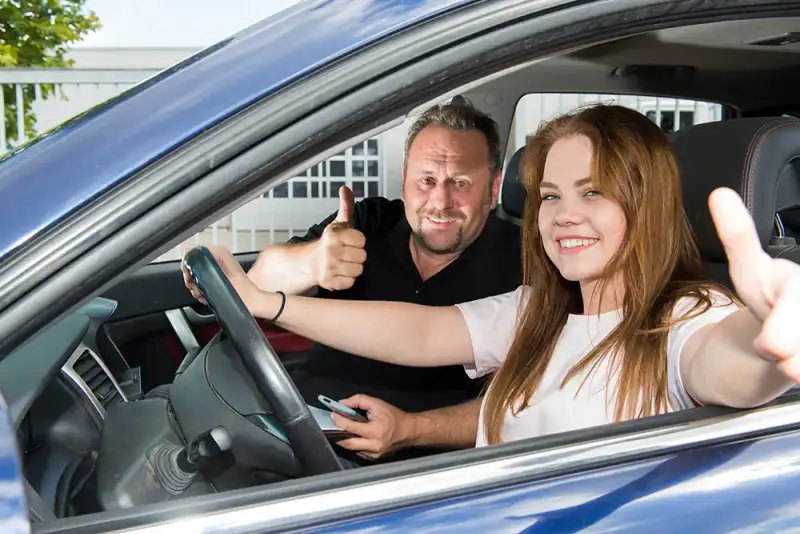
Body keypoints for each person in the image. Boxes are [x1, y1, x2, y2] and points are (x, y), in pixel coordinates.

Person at [185, 104, 800, 454]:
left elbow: (729, 364)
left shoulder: (682, 317)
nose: (565, 215)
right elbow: (422, 333)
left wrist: (769, 338)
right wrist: (272, 301)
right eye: (551, 195)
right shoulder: (542, 308)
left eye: (594, 192)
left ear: (647, 204)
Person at [241, 100, 521, 458]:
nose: (441, 200)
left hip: (404, 475)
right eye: (426, 180)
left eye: (461, 182)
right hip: (295, 429)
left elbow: (524, 408)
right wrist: (312, 262)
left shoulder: (525, 264)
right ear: (404, 179)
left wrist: (413, 431)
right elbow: (258, 283)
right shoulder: (368, 220)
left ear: (493, 188)